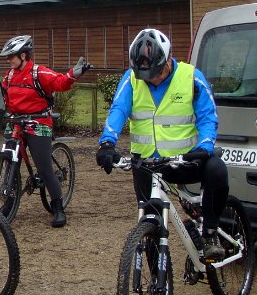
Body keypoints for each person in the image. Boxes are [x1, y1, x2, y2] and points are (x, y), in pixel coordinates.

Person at [96, 28, 227, 261]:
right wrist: (107, 143)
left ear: (167, 60)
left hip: (186, 161)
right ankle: (157, 291)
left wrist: (204, 149)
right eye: (144, 75)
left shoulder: (191, 77)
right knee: (150, 225)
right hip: (146, 162)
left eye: (155, 74)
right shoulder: (132, 79)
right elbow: (118, 110)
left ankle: (209, 233)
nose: (150, 80)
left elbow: (208, 117)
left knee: (217, 170)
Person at [0, 34, 90, 228]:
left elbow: (60, 82)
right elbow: (3, 95)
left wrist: (74, 73)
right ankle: (9, 202)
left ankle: (58, 207)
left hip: (38, 121)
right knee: (8, 160)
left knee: (44, 167)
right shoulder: (9, 75)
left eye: (12, 56)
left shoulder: (38, 72)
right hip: (15, 121)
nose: (9, 60)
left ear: (24, 55)